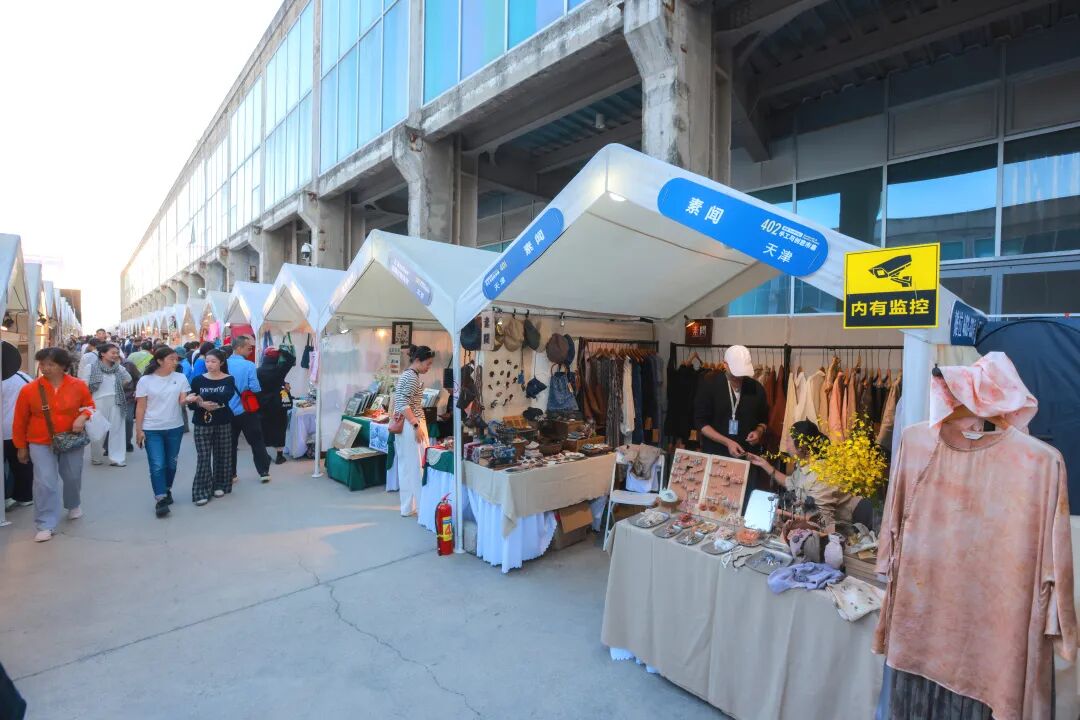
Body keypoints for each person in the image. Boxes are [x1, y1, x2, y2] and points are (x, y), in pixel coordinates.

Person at [13, 348, 94, 543]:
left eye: (51, 364)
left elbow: (90, 406)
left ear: (63, 366)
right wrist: (21, 446)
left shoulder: (78, 385)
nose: (45, 368)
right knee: (44, 481)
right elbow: (20, 420)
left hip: (71, 439)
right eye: (42, 364)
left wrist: (83, 417)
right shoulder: (29, 389)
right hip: (40, 441)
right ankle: (45, 523)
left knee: (72, 476)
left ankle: (73, 503)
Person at [748, 420, 862, 529]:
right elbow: (789, 482)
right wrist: (764, 464)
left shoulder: (822, 476)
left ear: (801, 447)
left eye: (788, 441)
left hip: (839, 533)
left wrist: (780, 513)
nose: (786, 446)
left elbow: (820, 522)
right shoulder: (805, 465)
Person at [134, 347, 190, 517]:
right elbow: (141, 407)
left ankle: (166, 489)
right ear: (159, 361)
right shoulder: (145, 381)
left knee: (171, 463)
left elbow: (182, 401)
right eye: (171, 359)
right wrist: (139, 430)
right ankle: (160, 499)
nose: (175, 362)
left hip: (175, 427)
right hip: (152, 428)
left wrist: (190, 399)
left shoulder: (180, 378)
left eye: (176, 359)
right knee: (157, 464)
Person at [694, 345, 769, 459]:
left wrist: (758, 432)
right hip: (716, 455)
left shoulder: (756, 388)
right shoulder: (709, 385)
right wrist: (727, 442)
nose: (738, 376)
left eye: (741, 372)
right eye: (735, 371)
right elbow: (701, 423)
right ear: (725, 364)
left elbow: (763, 420)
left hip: (748, 455)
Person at [187, 349, 237, 505]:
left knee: (222, 455)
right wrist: (201, 404)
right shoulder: (198, 380)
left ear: (221, 362)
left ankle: (220, 484)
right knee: (203, 457)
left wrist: (201, 398)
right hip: (202, 422)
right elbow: (191, 402)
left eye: (213, 361)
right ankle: (201, 491)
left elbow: (225, 396)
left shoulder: (228, 379)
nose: (209, 364)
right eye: (207, 361)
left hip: (223, 421)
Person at [393, 345, 434, 517]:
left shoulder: (407, 374)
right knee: (418, 467)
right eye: (427, 363)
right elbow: (403, 403)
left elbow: (400, 401)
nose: (428, 367)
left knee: (407, 466)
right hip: (412, 424)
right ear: (418, 360)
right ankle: (422, 509)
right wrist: (416, 425)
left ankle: (408, 507)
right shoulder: (412, 377)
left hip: (406, 425)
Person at [225, 336, 272, 484]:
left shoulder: (223, 363)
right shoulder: (249, 365)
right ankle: (263, 471)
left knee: (230, 444)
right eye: (248, 348)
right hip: (246, 409)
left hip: (227, 410)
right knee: (257, 441)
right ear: (239, 348)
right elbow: (255, 387)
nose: (250, 350)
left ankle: (231, 474)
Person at [79, 343, 132, 467]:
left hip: (116, 401)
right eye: (112, 353)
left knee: (117, 430)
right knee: (98, 430)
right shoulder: (91, 367)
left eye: (117, 353)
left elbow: (128, 378)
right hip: (97, 401)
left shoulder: (119, 368)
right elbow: (83, 385)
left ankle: (117, 458)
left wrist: (120, 386)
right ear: (103, 353)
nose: (115, 355)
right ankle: (96, 457)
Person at [256, 347, 295, 465]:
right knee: (280, 427)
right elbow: (291, 358)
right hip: (278, 403)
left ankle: (265, 455)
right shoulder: (280, 369)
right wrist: (282, 350)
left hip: (262, 403)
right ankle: (279, 456)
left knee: (264, 428)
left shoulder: (258, 371)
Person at [2, 367, 34, 510]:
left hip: (5, 429)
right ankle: (25, 497)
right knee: (22, 463)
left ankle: (5, 497)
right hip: (22, 428)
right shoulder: (22, 376)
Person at [121, 358, 141, 451]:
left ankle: (127, 442)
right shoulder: (103, 365)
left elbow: (138, 378)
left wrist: (137, 390)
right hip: (112, 397)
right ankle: (108, 446)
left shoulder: (128, 364)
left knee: (128, 420)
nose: (114, 355)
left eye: (116, 352)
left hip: (128, 397)